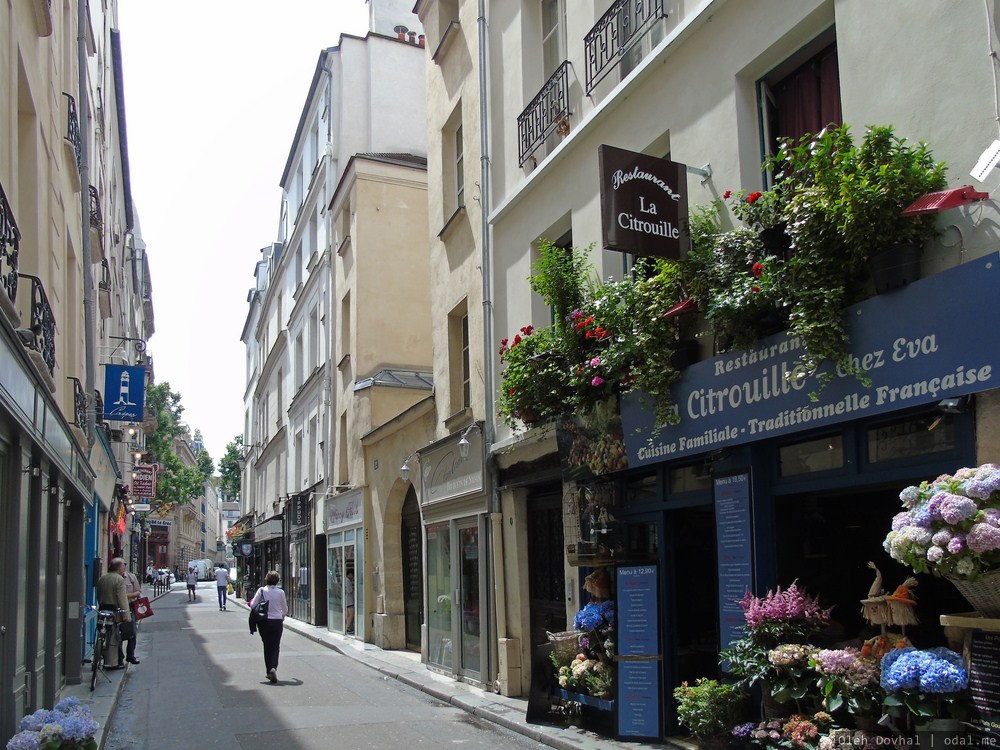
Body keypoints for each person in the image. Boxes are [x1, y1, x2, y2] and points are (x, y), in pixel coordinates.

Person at [249, 570, 288, 682]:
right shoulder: (281, 592)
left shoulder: (261, 590)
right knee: (276, 646)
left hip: (264, 621)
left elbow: (252, 605)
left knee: (267, 646)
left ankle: (268, 671)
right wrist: (283, 615)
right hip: (277, 621)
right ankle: (273, 668)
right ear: (277, 580)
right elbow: (285, 609)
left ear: (266, 579)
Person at [95, 558, 131, 670]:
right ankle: (112, 662)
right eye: (123, 566)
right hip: (114, 612)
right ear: (119, 567)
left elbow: (99, 595)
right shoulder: (119, 579)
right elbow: (122, 598)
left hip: (102, 610)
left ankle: (99, 656)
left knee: (102, 634)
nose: (124, 568)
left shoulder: (103, 578)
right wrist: (126, 614)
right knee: (114, 638)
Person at [121, 564, 142, 665]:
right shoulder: (112, 578)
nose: (124, 567)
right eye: (122, 565)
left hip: (129, 607)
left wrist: (125, 596)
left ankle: (130, 656)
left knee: (132, 632)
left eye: (125, 565)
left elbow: (138, 592)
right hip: (116, 608)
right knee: (116, 634)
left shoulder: (131, 577)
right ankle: (119, 657)